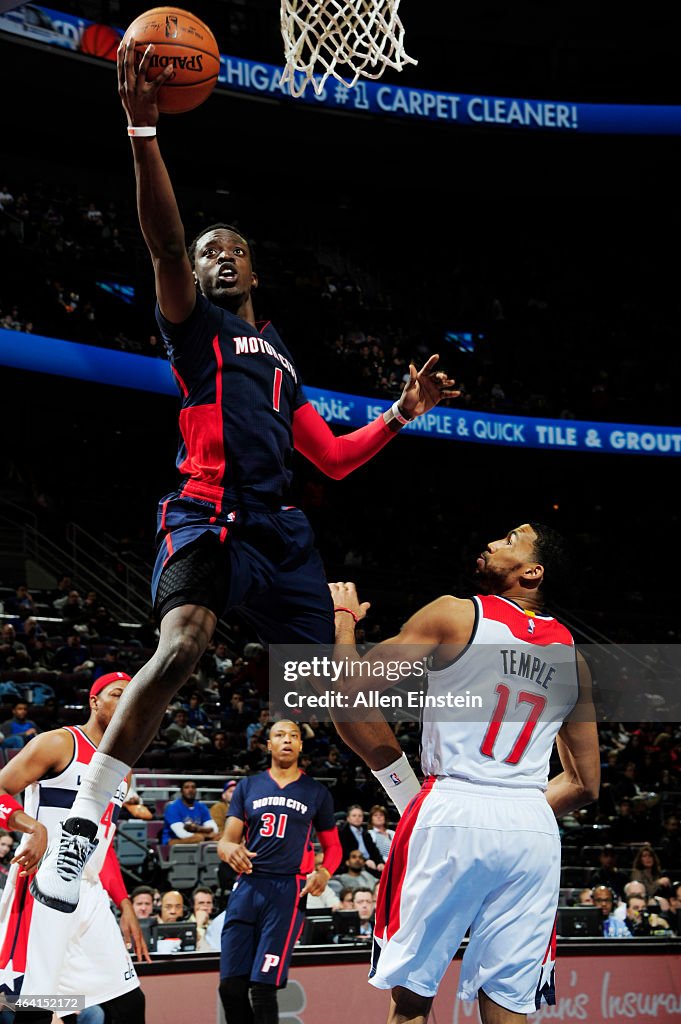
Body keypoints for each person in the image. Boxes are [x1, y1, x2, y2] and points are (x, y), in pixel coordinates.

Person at [32, 38, 460, 916]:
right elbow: (159, 241)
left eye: (233, 249)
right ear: (193, 276)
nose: (218, 256)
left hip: (279, 531)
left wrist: (398, 414)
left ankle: (422, 815)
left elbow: (332, 459)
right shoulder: (195, 328)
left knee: (327, 691)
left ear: (256, 271)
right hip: (206, 515)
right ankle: (84, 824)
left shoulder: (282, 359)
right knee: (184, 642)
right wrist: (144, 128)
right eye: (207, 251)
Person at [329, 522, 601, 1024]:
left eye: (511, 540)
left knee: (411, 998)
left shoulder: (455, 613)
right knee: (508, 1002)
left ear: (532, 571)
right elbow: (585, 784)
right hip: (531, 828)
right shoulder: (575, 660)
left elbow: (349, 694)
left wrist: (344, 621)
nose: (494, 541)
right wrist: (511, 808)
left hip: (452, 808)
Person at [0, 672, 147, 1023]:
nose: (125, 701)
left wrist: (124, 903)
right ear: (94, 702)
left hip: (89, 894)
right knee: (29, 1008)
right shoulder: (59, 743)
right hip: (43, 886)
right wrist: (30, 825)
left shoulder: (121, 771)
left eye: (132, 696)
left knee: (127, 1005)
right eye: (116, 694)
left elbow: (102, 845)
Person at [217, 719, 342, 1024]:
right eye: (279, 735)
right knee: (230, 987)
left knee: (263, 987)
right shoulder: (247, 786)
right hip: (248, 885)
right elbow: (225, 842)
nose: (286, 740)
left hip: (288, 891)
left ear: (300, 745)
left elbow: (334, 848)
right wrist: (228, 849)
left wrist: (324, 873)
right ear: (268, 744)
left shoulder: (315, 792)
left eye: (293, 736)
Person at [161, 779, 219, 845]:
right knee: (198, 838)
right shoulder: (173, 807)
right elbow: (181, 834)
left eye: (193, 787)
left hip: (200, 838)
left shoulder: (201, 806)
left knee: (221, 836)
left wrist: (196, 828)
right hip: (174, 840)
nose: (190, 790)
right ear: (181, 791)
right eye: (186, 787)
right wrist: (205, 833)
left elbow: (214, 829)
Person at [338, 804, 384, 873]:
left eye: (360, 816)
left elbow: (374, 850)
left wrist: (380, 862)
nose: (357, 818)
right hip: (354, 865)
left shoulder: (366, 833)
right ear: (348, 818)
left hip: (371, 863)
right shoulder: (342, 833)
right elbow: (347, 853)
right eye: (354, 816)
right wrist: (364, 861)